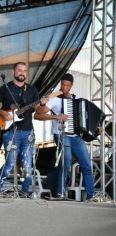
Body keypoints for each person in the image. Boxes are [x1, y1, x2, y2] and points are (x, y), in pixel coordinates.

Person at [34, 73, 99, 201]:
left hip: (76, 137)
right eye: (63, 84)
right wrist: (56, 116)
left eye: (67, 85)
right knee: (66, 164)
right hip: (61, 135)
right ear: (60, 84)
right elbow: (38, 115)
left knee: (87, 165)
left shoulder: (76, 101)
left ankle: (90, 196)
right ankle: (60, 193)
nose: (64, 87)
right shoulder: (55, 99)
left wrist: (95, 130)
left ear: (71, 86)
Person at [0, 62, 44, 194]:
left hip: (28, 132)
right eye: (19, 70)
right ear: (13, 72)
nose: (22, 73)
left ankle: (25, 191)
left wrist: (42, 104)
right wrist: (3, 113)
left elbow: (39, 111)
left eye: (25, 71)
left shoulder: (32, 90)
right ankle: (0, 189)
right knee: (9, 163)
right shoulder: (5, 88)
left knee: (27, 164)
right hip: (10, 132)